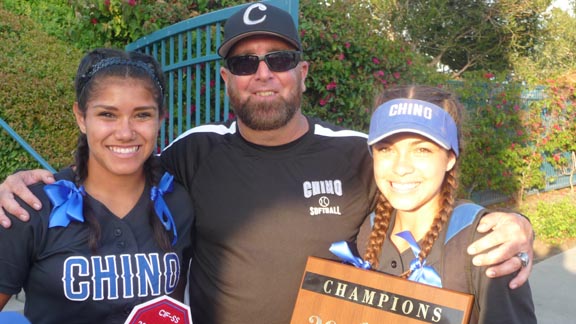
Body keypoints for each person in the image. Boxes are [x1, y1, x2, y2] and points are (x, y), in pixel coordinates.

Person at [0, 3, 534, 324]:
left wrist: (513, 224)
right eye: (244, 61)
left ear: (302, 73)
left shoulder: (355, 153)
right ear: (226, 79)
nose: (262, 73)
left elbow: (420, 191)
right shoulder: (193, 152)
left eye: (277, 60)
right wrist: (30, 184)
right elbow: (118, 160)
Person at [0, 48, 194, 323]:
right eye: (107, 114)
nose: (125, 132)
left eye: (142, 115)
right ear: (81, 117)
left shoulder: (180, 203)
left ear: (160, 119)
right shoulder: (31, 206)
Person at [360, 85, 536, 323]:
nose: (401, 167)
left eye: (422, 149)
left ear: (450, 158)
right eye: (386, 149)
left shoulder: (487, 246)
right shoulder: (366, 232)